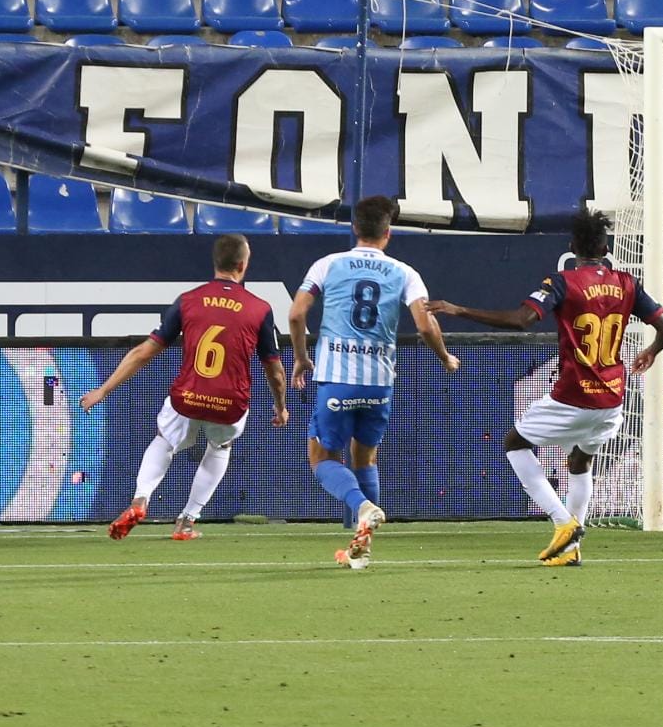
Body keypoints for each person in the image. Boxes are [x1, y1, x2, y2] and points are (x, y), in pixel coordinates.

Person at [427, 208, 663, 568]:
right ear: (606, 249)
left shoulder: (562, 282)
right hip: (613, 399)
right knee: (580, 459)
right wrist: (650, 353)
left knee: (514, 443)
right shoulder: (627, 283)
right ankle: (571, 550)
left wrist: (457, 309)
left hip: (574, 396)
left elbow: (521, 320)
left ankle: (564, 524)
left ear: (573, 247)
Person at [288, 196, 458, 570]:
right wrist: (444, 357)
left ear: (354, 229)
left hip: (336, 378)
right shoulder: (405, 272)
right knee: (365, 456)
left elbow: (297, 314)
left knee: (321, 458)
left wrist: (301, 358)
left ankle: (363, 508)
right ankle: (361, 548)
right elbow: (424, 324)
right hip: (379, 382)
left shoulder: (328, 264)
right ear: (388, 233)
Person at [81, 234, 288, 540]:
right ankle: (187, 521)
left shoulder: (189, 300)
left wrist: (103, 390)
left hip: (188, 396)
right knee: (220, 447)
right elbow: (275, 370)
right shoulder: (259, 309)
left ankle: (141, 499)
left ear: (215, 263)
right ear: (243, 265)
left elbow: (144, 352)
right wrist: (280, 405)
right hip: (230, 403)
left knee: (165, 440)